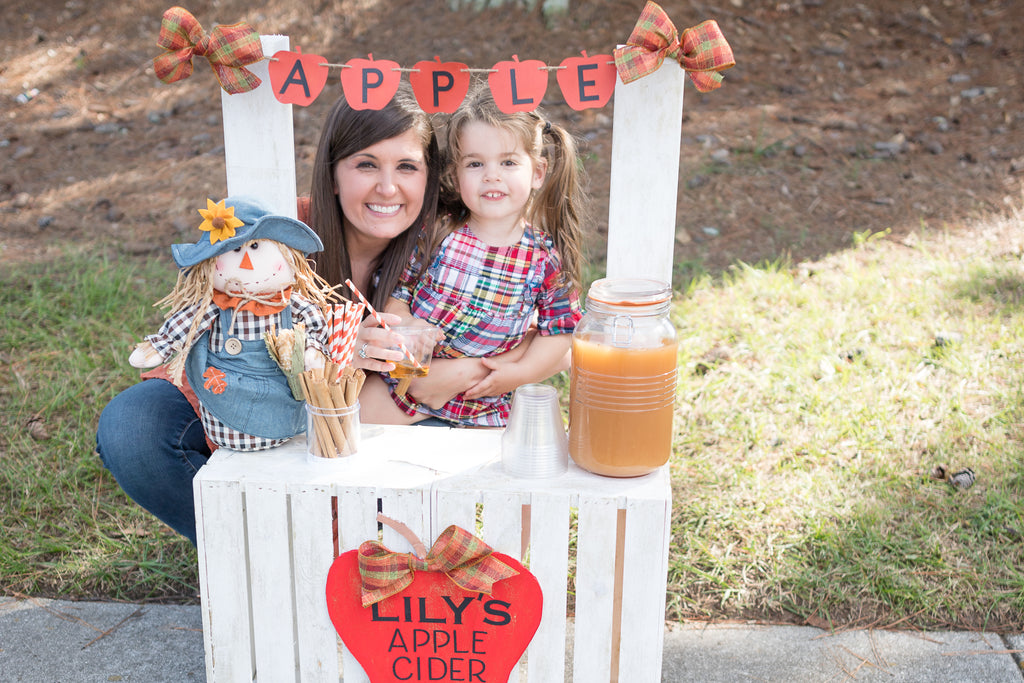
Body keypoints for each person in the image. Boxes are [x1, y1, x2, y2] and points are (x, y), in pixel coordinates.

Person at [96, 84, 447, 545]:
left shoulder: (446, 251)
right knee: (132, 428)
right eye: (366, 164)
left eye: (407, 166)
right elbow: (209, 324)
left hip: (371, 420)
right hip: (246, 394)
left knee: (446, 430)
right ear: (333, 173)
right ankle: (247, 551)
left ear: (429, 176)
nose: (387, 187)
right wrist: (337, 349)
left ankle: (356, 547)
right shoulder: (280, 233)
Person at [359, 85, 585, 427]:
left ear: (537, 172)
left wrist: (519, 373)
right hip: (404, 387)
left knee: (480, 476)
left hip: (481, 401)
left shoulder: (543, 259)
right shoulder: (437, 232)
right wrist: (407, 323)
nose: (491, 175)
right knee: (349, 435)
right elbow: (395, 290)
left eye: (508, 162)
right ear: (455, 174)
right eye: (476, 163)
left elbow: (559, 333)